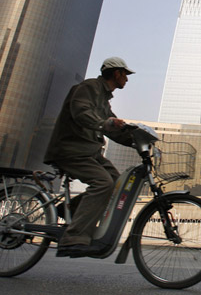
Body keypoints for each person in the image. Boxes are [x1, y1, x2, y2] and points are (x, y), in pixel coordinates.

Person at [44, 56, 135, 258]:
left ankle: (73, 209)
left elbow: (112, 128)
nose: (127, 80)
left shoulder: (103, 98)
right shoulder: (88, 87)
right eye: (125, 75)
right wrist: (106, 124)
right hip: (70, 150)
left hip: (89, 152)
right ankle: (73, 237)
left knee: (117, 183)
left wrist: (138, 141)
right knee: (103, 183)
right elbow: (81, 112)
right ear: (117, 73)